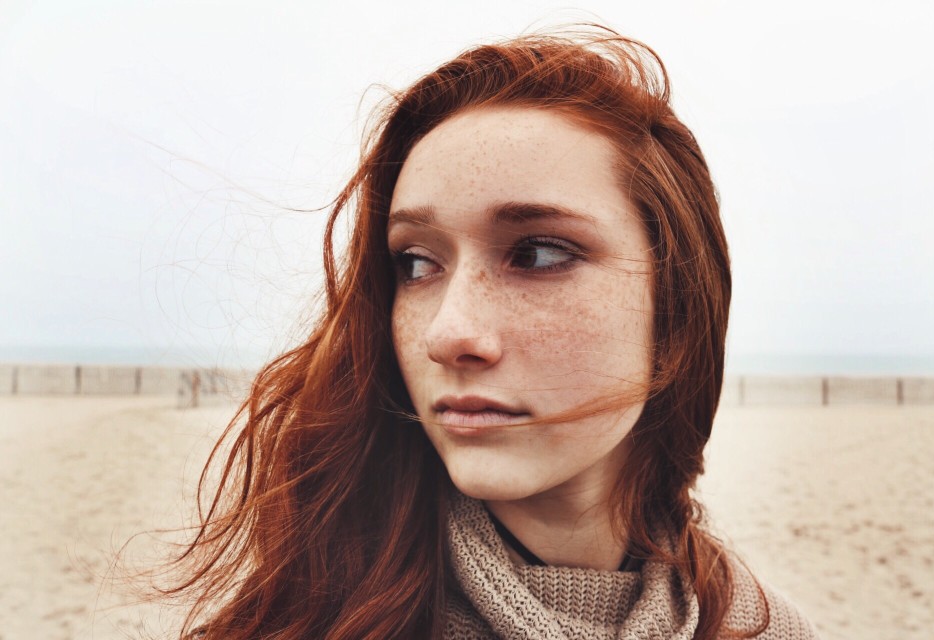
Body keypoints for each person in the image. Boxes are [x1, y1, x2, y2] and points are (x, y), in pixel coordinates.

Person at [170, 26, 820, 639]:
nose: (449, 333)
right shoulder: (304, 617)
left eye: (537, 254)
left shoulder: (764, 627)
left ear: (674, 306)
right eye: (416, 264)